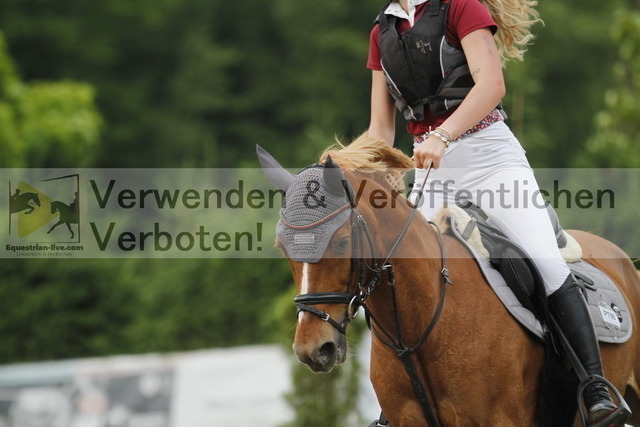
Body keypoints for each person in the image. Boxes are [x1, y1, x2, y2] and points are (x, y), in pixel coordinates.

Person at [366, 0, 631, 425]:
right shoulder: (381, 33)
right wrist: (370, 171)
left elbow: (491, 85)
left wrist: (444, 135)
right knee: (403, 275)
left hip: (490, 158)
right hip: (430, 169)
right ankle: (397, 403)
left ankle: (596, 387)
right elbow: (381, 128)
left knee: (544, 259)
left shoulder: (460, 7)